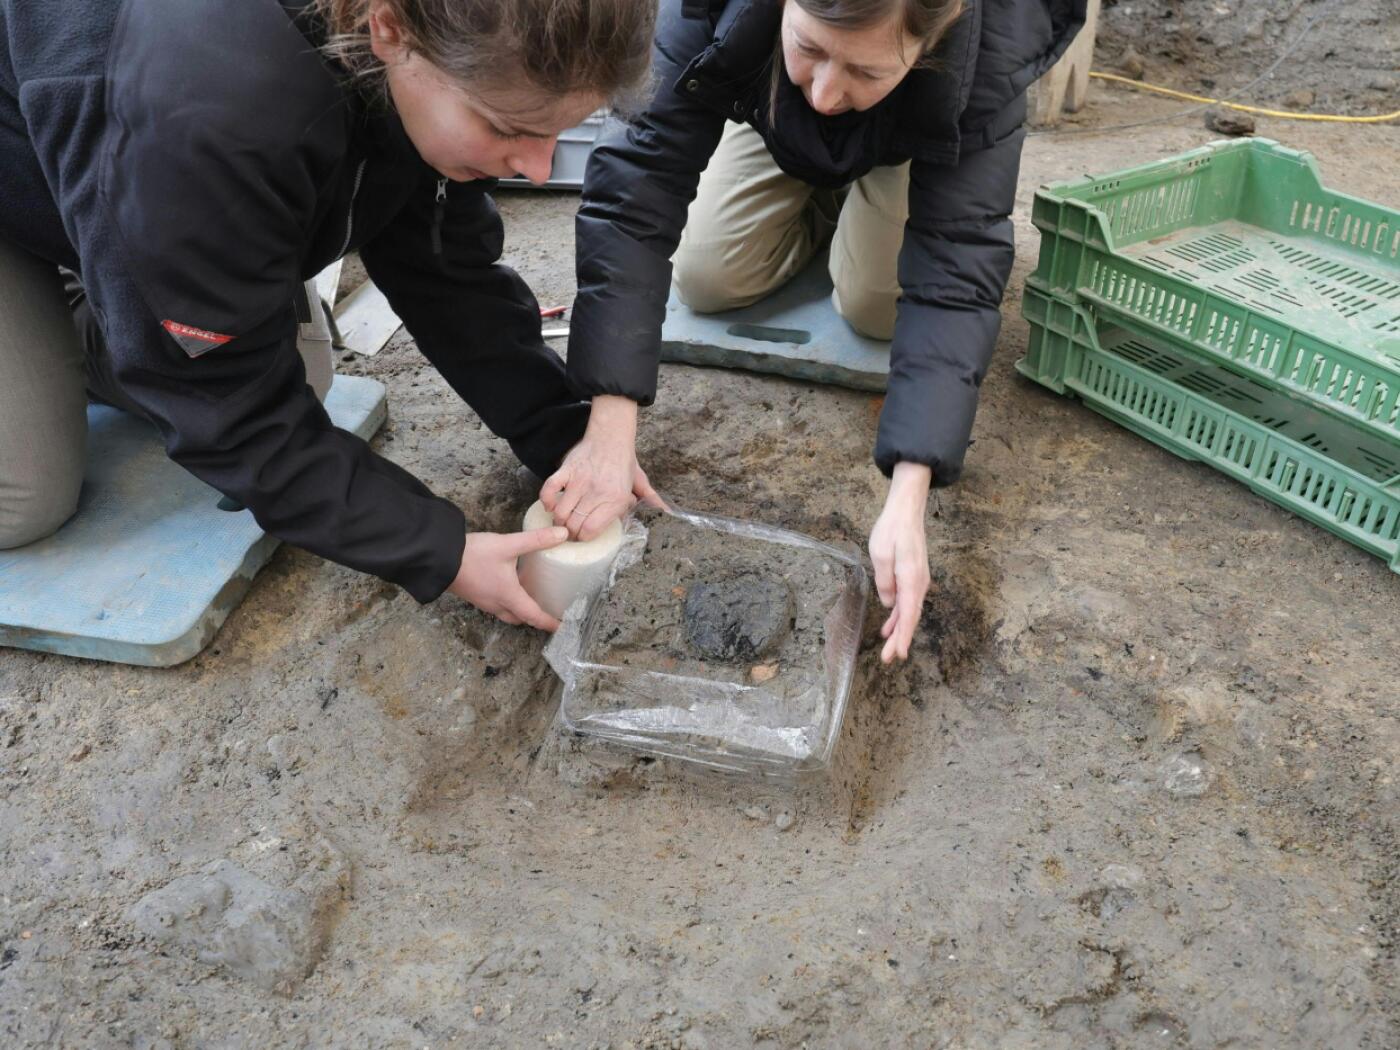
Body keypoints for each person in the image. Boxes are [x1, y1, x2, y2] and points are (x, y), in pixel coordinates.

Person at [0, 0, 656, 632]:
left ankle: (124, 276)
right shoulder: (219, 110)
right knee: (27, 496)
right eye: (509, 129)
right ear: (391, 31)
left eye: (556, 134)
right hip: (53, 161)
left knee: (297, 380)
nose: (539, 172)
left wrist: (563, 433)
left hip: (146, 170)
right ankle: (120, 289)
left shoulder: (439, 44)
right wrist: (442, 552)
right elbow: (232, 415)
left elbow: (442, 266)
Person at [548, 0, 1085, 662]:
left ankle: (870, 185)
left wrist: (908, 496)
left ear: (932, 38)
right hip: (770, 106)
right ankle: (822, 183)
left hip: (914, 136)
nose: (830, 93)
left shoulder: (988, 52)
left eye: (865, 68)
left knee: (872, 305)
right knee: (708, 276)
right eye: (813, 46)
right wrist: (608, 427)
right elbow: (637, 185)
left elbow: (956, 264)